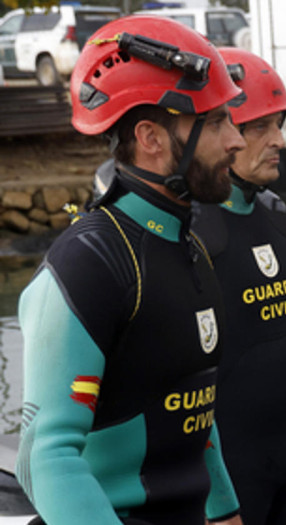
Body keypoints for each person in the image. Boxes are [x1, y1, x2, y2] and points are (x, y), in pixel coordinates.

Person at [16, 15, 246, 525]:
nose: (238, 140)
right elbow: (45, 456)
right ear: (151, 137)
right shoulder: (90, 263)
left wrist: (226, 511)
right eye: (216, 122)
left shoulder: (189, 247)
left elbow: (193, 411)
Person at [190, 48, 286, 525]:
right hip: (230, 476)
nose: (280, 140)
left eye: (280, 124)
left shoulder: (276, 214)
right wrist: (218, 503)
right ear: (222, 132)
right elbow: (181, 389)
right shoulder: (191, 232)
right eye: (261, 126)